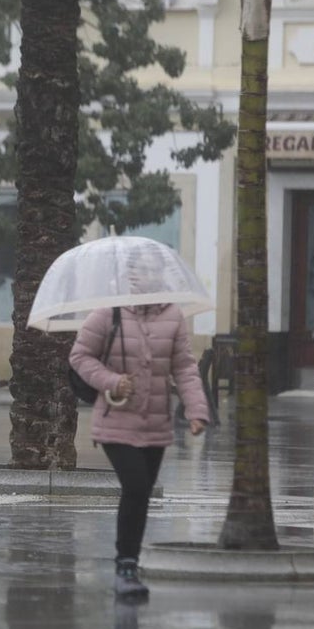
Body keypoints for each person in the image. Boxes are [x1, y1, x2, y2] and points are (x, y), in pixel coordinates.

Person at [68, 253, 208, 600]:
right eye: (140, 271)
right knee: (135, 486)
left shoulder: (173, 315)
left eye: (152, 271)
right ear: (130, 276)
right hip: (115, 421)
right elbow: (80, 357)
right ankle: (125, 565)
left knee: (142, 492)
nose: (146, 276)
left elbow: (185, 368)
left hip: (157, 423)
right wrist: (111, 380)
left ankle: (130, 562)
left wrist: (197, 409)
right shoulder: (108, 312)